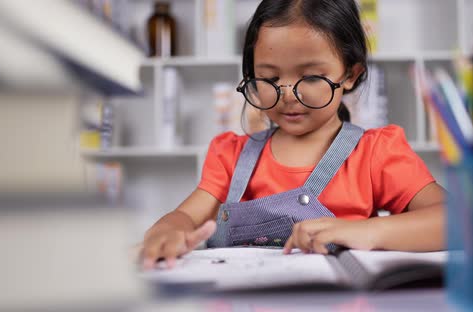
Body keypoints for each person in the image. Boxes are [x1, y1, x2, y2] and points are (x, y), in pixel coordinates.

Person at [140, 0, 446, 270]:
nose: (287, 95)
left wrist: (367, 233)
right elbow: (184, 218)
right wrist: (166, 230)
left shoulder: (376, 153)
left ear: (350, 75)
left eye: (311, 76)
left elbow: (457, 221)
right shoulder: (229, 157)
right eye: (270, 78)